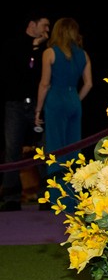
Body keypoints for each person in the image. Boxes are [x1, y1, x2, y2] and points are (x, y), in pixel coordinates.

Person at [34, 17, 93, 192]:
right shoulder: (84, 54)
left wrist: (38, 110)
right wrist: (76, 99)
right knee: (74, 148)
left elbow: (45, 84)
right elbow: (89, 83)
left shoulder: (50, 52)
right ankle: (74, 197)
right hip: (73, 100)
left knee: (55, 148)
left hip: (55, 100)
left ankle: (57, 196)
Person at [1, 13, 50, 211]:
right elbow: (21, 70)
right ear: (32, 24)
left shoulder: (46, 49)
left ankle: (46, 196)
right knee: (12, 149)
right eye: (45, 25)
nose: (48, 30)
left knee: (43, 149)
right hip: (15, 104)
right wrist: (33, 48)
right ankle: (11, 197)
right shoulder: (13, 45)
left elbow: (41, 74)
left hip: (39, 104)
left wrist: (38, 49)